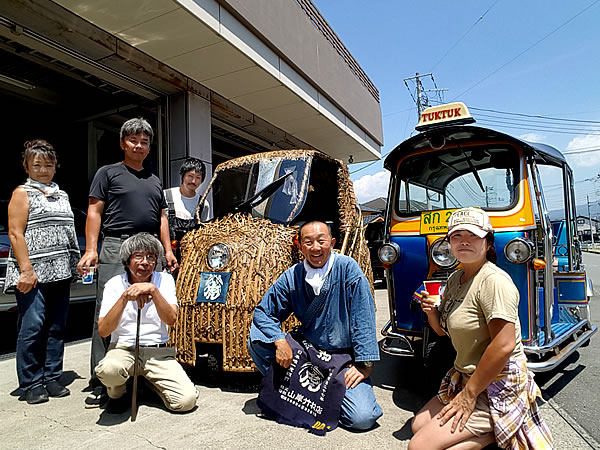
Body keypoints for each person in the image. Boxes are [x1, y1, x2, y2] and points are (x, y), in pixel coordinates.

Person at [409, 208, 553, 450]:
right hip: (465, 375)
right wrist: (431, 312)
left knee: (419, 447)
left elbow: (504, 344)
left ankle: (504, 422)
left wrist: (468, 396)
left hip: (498, 381)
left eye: (473, 235)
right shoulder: (456, 279)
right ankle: (497, 432)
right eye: (457, 236)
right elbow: (443, 332)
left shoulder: (494, 282)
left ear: (488, 243)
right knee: (417, 425)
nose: (464, 241)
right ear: (449, 244)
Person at [77, 117, 178, 408]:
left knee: (152, 306)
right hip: (115, 244)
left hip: (149, 247)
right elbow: (94, 211)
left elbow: (161, 217)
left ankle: (147, 374)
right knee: (106, 309)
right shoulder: (107, 173)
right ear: (123, 143)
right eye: (133, 140)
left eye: (144, 141)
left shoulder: (154, 180)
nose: (139, 145)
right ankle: (102, 380)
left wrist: (167, 250)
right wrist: (91, 249)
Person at [248, 220, 383, 430]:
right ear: (300, 246)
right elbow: (264, 312)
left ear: (332, 242)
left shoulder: (348, 269)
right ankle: (306, 393)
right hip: (308, 353)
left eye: (321, 241)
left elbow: (363, 319)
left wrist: (364, 365)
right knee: (257, 341)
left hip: (342, 359)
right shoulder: (292, 276)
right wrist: (278, 339)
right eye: (308, 242)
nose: (316, 247)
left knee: (362, 418)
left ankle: (309, 397)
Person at [6, 140, 80, 404]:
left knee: (57, 325)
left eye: (48, 165)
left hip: (60, 271)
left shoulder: (62, 195)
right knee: (33, 325)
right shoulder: (22, 193)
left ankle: (52, 375)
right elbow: (15, 233)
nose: (43, 170)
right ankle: (31, 382)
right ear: (26, 166)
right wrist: (26, 269)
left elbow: (69, 234)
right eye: (37, 165)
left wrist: (74, 266)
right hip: (32, 273)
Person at [95, 233, 197, 413]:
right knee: (109, 370)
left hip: (157, 351)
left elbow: (171, 319)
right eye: (138, 256)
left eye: (151, 257)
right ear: (127, 261)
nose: (145, 262)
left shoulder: (164, 280)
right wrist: (126, 297)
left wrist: (153, 290)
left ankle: (148, 385)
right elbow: (103, 331)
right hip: (123, 349)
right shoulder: (114, 284)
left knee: (186, 402)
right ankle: (118, 393)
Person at [163, 157, 210, 261]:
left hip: (191, 259)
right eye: (190, 176)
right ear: (183, 175)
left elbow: (204, 233)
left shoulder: (203, 204)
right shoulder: (166, 196)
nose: (193, 181)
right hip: (166, 256)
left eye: (198, 177)